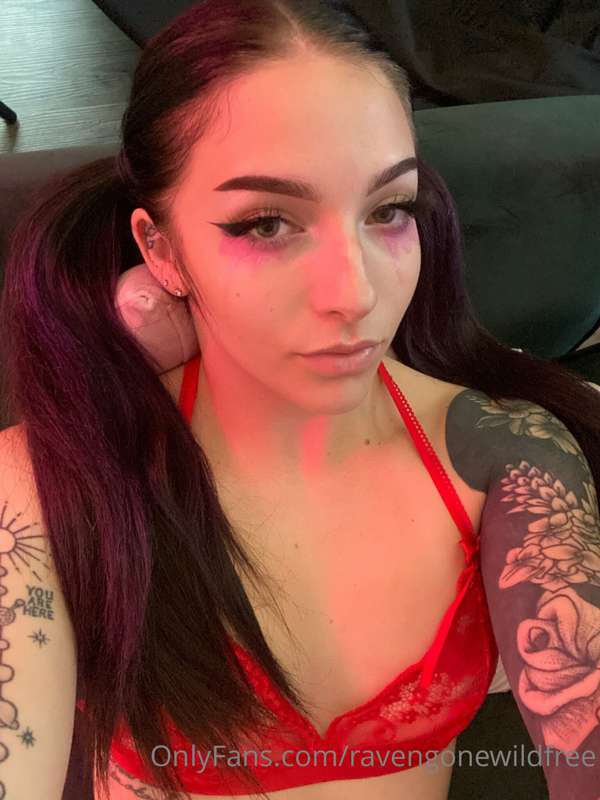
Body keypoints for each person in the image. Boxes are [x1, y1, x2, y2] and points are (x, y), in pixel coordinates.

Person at [0, 1, 599, 799]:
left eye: (388, 211)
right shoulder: (47, 487)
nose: (356, 294)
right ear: (160, 249)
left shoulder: (508, 457)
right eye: (266, 224)